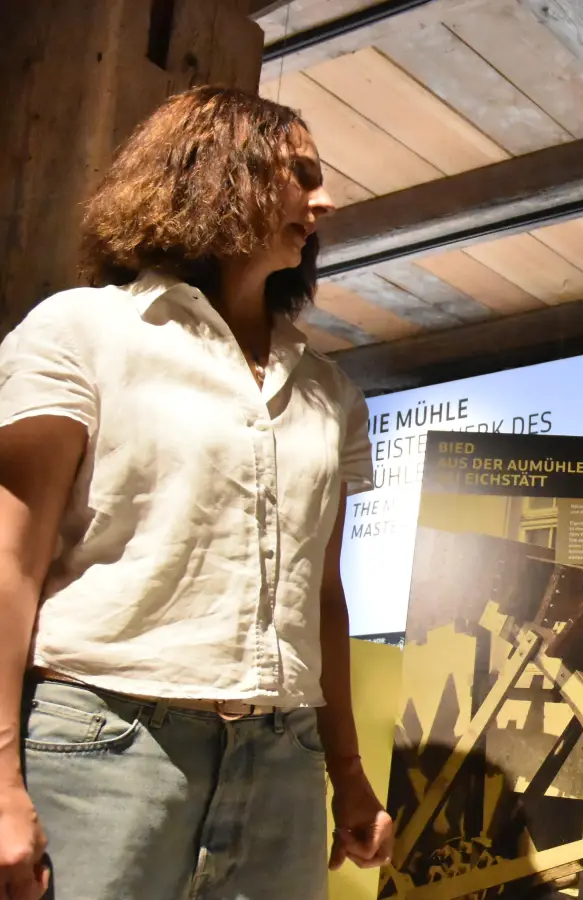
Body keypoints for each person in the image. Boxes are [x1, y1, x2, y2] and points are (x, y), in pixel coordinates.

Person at [0, 86, 394, 900]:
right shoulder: (84, 332)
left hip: (284, 760)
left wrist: (347, 770)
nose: (325, 200)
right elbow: (11, 563)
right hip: (105, 747)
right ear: (216, 171)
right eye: (301, 173)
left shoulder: (329, 390)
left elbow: (322, 595)